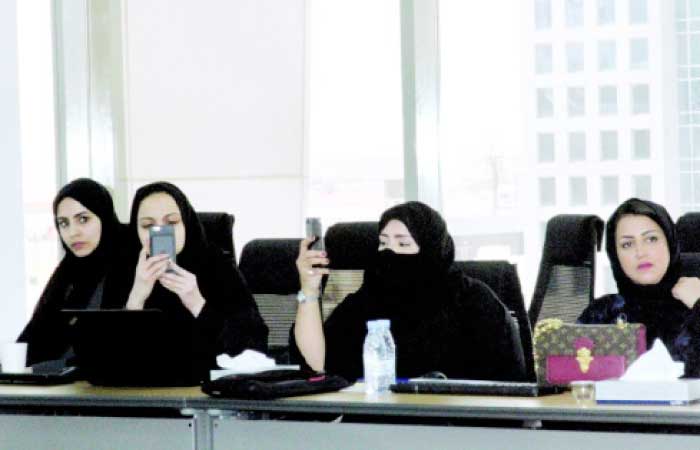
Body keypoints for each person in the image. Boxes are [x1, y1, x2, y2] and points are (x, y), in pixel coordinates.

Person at [291, 201, 526, 382]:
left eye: (403, 244)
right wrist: (309, 290)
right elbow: (318, 362)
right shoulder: (369, 298)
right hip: (372, 430)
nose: (389, 253)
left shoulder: (473, 301)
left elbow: (506, 385)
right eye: (383, 243)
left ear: (432, 249)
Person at [102, 181, 268, 378]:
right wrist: (136, 299)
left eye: (171, 223)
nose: (160, 233)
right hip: (140, 394)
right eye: (148, 225)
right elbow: (104, 359)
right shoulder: (124, 271)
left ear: (186, 223)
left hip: (206, 395)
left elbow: (253, 347)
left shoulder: (217, 266)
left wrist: (198, 304)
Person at [578, 198, 700, 376]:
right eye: (627, 244)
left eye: (651, 239)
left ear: (670, 244)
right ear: (615, 255)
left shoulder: (693, 302)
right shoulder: (602, 314)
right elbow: (573, 381)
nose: (640, 252)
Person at [18, 178, 126, 365]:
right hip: (55, 387)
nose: (72, 232)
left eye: (83, 219)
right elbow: (32, 340)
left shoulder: (130, 266)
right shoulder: (66, 273)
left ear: (104, 216)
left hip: (111, 387)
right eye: (63, 223)